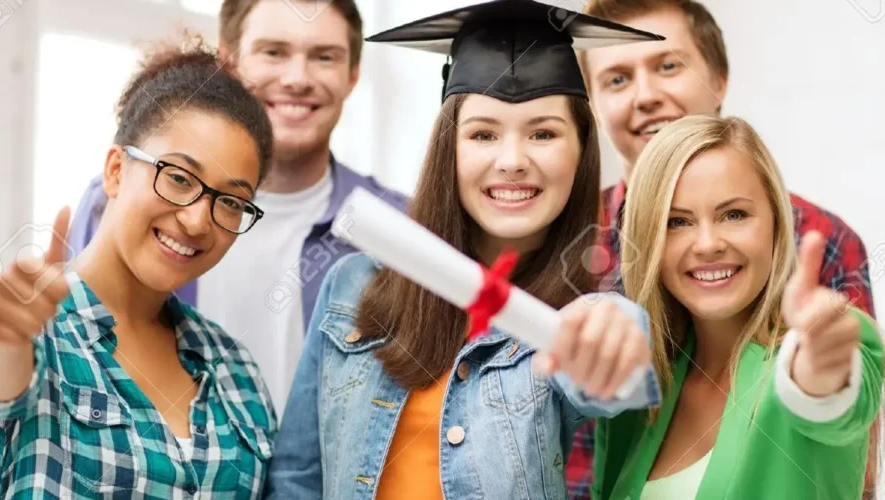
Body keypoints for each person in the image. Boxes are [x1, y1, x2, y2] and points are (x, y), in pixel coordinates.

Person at [263, 2, 665, 498]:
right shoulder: (353, 285)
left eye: (543, 133)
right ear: (449, 148)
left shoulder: (593, 300)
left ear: (582, 149)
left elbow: (613, 361)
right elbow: (298, 478)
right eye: (483, 134)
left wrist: (615, 336)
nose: (512, 160)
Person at [562, 1, 881, 497]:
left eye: (668, 65)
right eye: (618, 79)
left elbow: (841, 425)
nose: (645, 95)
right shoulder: (569, 239)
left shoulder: (821, 237)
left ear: (719, 78)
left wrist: (817, 369)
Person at [0, 38, 279, 498]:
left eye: (229, 201)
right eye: (179, 178)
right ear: (116, 170)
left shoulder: (236, 371)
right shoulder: (29, 329)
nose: (196, 220)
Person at [65, 0, 406, 418]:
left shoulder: (400, 229)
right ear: (229, 59)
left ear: (353, 75)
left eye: (324, 57)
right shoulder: (118, 205)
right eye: (273, 52)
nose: (297, 78)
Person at [592, 114, 885, 499]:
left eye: (733, 215)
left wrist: (818, 370)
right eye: (677, 222)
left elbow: (823, 396)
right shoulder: (640, 393)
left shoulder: (807, 349)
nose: (707, 244)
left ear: (775, 220)